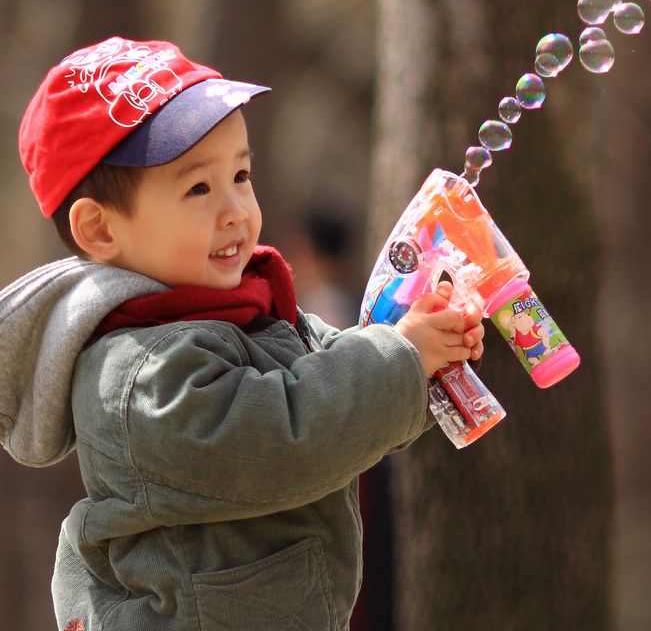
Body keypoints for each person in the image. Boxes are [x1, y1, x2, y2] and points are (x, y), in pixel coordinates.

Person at [0, 36, 484, 631]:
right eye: (199, 188)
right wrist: (400, 361)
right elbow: (286, 438)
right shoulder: (137, 375)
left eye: (241, 174)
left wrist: (425, 348)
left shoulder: (241, 315)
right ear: (99, 229)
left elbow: (340, 389)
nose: (236, 210)